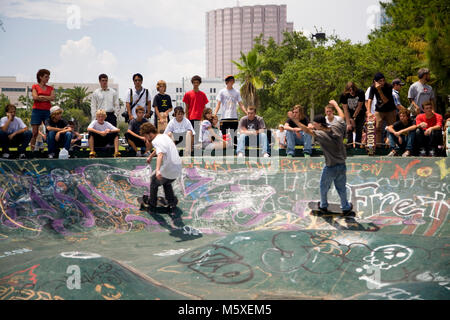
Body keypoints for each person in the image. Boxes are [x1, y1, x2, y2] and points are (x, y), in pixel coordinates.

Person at [288, 100, 352, 215]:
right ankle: (345, 206)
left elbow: (306, 130)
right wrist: (336, 105)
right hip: (342, 165)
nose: (313, 125)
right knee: (341, 188)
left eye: (315, 124)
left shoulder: (322, 135)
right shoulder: (336, 127)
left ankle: (323, 205)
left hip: (331, 167)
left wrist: (294, 119)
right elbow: (341, 116)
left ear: (320, 124)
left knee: (323, 186)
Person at [140, 122, 182, 215]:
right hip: (178, 168)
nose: (146, 139)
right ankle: (171, 203)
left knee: (153, 180)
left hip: (169, 168)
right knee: (166, 182)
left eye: (146, 137)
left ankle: (152, 205)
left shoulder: (155, 141)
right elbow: (159, 149)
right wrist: (151, 156)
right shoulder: (163, 136)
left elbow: (160, 154)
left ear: (150, 134)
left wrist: (158, 170)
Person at [367, 72, 397, 146]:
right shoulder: (373, 87)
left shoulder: (389, 86)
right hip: (379, 110)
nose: (382, 82)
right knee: (377, 128)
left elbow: (386, 101)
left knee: (392, 127)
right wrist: (368, 112)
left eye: (383, 80)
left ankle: (392, 145)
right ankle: (378, 146)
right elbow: (370, 99)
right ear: (375, 81)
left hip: (390, 109)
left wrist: (379, 90)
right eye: (380, 81)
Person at [30, 69, 55, 151]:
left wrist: (41, 97)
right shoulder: (35, 86)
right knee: (35, 133)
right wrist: (46, 98)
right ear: (40, 77)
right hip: (36, 111)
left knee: (49, 131)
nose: (48, 78)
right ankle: (32, 151)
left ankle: (50, 150)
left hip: (47, 111)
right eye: (46, 77)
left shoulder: (50, 88)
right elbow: (35, 97)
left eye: (48, 77)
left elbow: (52, 98)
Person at [339, 82, 366, 148]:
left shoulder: (360, 92)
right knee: (349, 128)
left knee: (359, 129)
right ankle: (350, 145)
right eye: (350, 92)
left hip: (360, 113)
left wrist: (354, 118)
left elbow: (359, 106)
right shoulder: (344, 95)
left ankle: (358, 145)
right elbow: (345, 109)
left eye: (353, 92)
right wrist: (349, 122)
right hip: (349, 114)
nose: (352, 93)